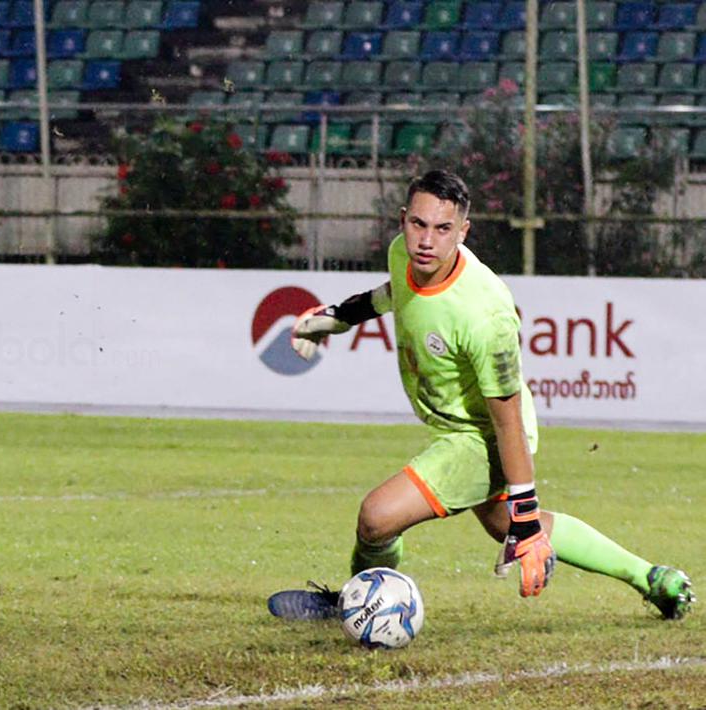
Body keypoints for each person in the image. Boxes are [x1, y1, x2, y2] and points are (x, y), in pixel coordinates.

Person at [267, 170, 694, 621]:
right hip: (454, 424)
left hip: (483, 434)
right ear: (403, 220)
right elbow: (395, 291)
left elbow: (507, 421)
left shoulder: (484, 313)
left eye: (443, 228)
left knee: (376, 517)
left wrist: (526, 518)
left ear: (463, 231)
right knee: (499, 525)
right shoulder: (403, 254)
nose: (426, 240)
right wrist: (340, 316)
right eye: (418, 224)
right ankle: (654, 578)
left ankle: (354, 604)